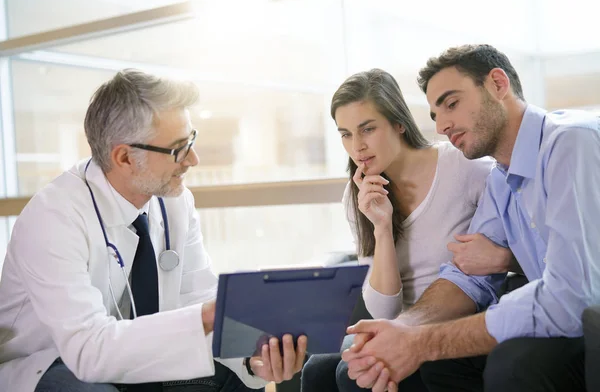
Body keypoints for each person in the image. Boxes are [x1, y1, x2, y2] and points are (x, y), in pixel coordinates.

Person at [0, 69, 307, 392]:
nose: (194, 159)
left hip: (135, 351)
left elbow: (198, 295)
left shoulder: (174, 201)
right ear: (124, 158)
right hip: (48, 362)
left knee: (234, 381)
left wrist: (251, 360)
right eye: (178, 149)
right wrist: (207, 316)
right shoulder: (54, 217)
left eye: (191, 140)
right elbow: (88, 351)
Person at [342, 44, 600, 392]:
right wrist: (403, 328)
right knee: (445, 366)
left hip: (588, 318)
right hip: (571, 318)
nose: (444, 125)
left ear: (497, 84)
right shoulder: (500, 180)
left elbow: (572, 298)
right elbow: (466, 279)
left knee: (517, 365)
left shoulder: (570, 144)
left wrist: (422, 342)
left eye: (452, 104)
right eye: (435, 115)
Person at [301, 69, 516, 391]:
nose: (357, 146)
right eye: (346, 134)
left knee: (352, 374)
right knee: (318, 371)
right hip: (397, 323)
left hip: (454, 319)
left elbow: (518, 246)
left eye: (368, 129)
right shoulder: (359, 195)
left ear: (399, 123)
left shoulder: (465, 169)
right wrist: (382, 227)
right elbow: (384, 309)